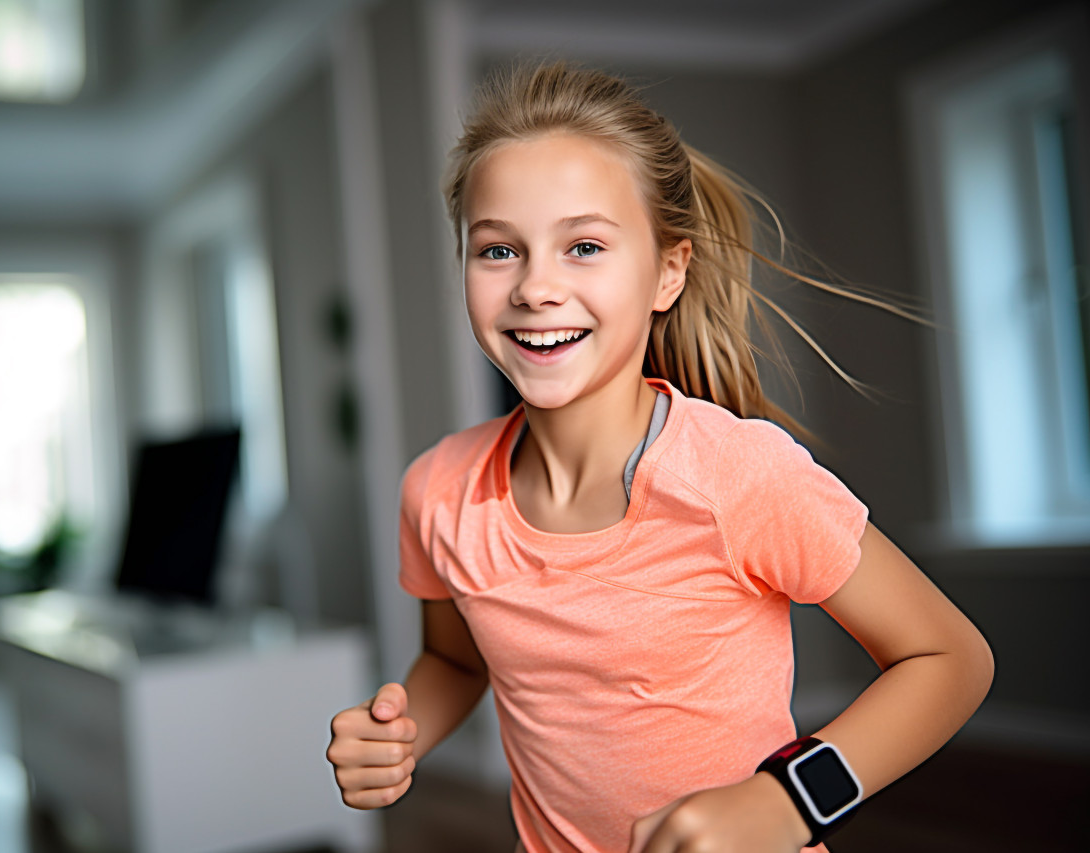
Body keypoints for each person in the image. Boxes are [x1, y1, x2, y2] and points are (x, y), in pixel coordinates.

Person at [326, 63, 994, 853]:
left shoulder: (739, 475)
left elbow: (950, 658)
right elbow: (454, 658)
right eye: (498, 250)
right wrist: (401, 730)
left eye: (583, 246)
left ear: (667, 273)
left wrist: (787, 800)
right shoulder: (437, 491)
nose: (536, 286)